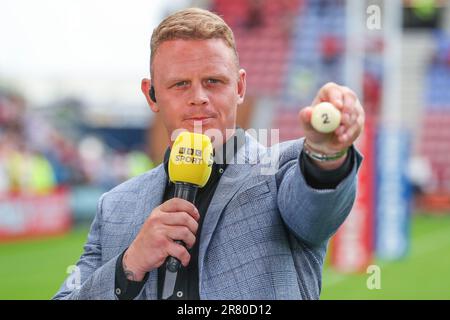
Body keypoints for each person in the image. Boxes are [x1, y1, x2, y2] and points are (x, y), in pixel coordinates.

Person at [54, 7, 364, 300]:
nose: (199, 98)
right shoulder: (115, 206)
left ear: (240, 86)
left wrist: (326, 154)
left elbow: (317, 206)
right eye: (180, 84)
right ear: (151, 95)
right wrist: (128, 265)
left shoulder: (283, 170)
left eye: (213, 81)